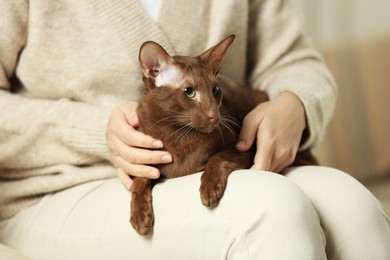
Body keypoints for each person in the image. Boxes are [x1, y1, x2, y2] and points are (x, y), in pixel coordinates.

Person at [0, 0, 389, 259]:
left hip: (209, 156)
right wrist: (90, 129)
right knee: (272, 210)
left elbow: (293, 60)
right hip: (60, 186)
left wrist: (295, 103)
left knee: (353, 207)